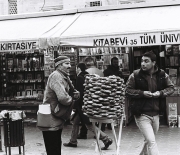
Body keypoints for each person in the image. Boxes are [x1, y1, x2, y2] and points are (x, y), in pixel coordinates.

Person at [125, 51, 174, 155]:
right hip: (141, 114)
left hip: (156, 114)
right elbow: (127, 91)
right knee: (152, 142)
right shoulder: (135, 75)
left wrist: (160, 93)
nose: (143, 63)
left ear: (154, 63)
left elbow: (171, 88)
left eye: (146, 61)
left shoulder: (162, 74)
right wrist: (142, 93)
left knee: (148, 141)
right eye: (142, 61)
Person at [63, 63, 113, 150]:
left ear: (78, 69)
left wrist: (75, 105)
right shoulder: (87, 76)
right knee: (75, 122)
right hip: (86, 104)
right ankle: (73, 141)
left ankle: (106, 138)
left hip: (82, 105)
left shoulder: (79, 77)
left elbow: (79, 93)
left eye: (76, 68)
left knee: (89, 125)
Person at [41, 55, 79, 155]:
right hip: (50, 118)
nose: (69, 66)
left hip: (55, 117)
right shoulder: (56, 76)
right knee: (53, 148)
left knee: (56, 146)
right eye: (66, 63)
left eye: (70, 63)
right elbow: (62, 98)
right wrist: (72, 99)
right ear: (59, 65)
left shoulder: (63, 76)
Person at [102, 57, 123, 131]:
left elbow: (121, 80)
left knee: (112, 109)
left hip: (115, 92)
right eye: (114, 62)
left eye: (117, 62)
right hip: (108, 92)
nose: (116, 64)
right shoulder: (107, 71)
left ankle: (110, 124)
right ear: (111, 62)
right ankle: (105, 125)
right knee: (106, 109)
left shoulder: (119, 71)